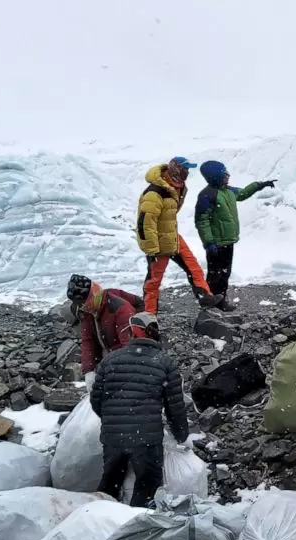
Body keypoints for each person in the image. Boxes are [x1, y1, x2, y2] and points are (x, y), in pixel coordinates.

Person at [90, 312, 189, 508]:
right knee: (147, 488)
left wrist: (114, 419)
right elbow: (175, 408)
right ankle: (137, 521)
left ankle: (101, 518)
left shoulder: (110, 360)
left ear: (133, 332)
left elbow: (96, 400)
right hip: (146, 440)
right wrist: (181, 435)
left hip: (113, 437)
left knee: (109, 485)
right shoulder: (165, 363)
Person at [136, 156, 222, 314]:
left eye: (187, 169)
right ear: (175, 169)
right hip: (158, 243)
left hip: (172, 235)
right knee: (154, 281)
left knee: (193, 266)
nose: (187, 172)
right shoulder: (155, 193)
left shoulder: (176, 187)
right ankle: (149, 316)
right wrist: (151, 249)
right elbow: (145, 223)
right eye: (184, 169)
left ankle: (205, 297)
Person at [194, 160, 276, 311]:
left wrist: (259, 185)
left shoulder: (228, 191)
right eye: (224, 173)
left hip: (227, 241)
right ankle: (211, 302)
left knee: (225, 273)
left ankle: (220, 300)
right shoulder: (207, 195)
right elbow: (201, 221)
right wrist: (209, 242)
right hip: (216, 243)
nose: (228, 175)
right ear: (216, 176)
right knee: (215, 275)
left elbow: (243, 193)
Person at [66, 274, 144, 375]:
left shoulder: (120, 309)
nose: (83, 307)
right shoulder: (84, 311)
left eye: (85, 304)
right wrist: (88, 371)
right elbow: (88, 340)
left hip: (123, 354)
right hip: (107, 353)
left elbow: (129, 347)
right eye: (80, 305)